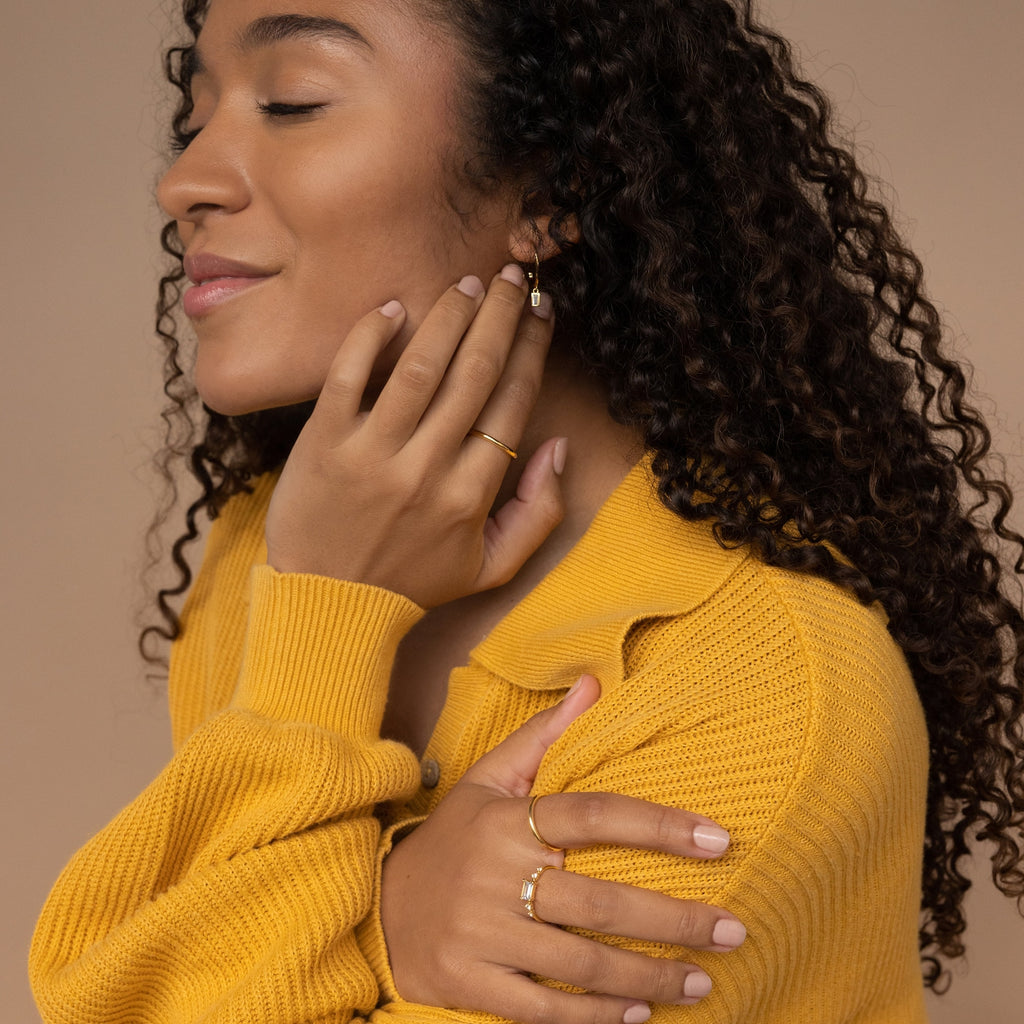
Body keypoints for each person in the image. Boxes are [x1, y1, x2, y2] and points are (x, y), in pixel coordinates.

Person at [29, 0, 1024, 1022]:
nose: (181, 179)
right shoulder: (279, 547)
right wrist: (390, 904)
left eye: (292, 101)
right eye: (197, 113)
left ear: (553, 183)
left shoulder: (766, 689)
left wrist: (350, 908)